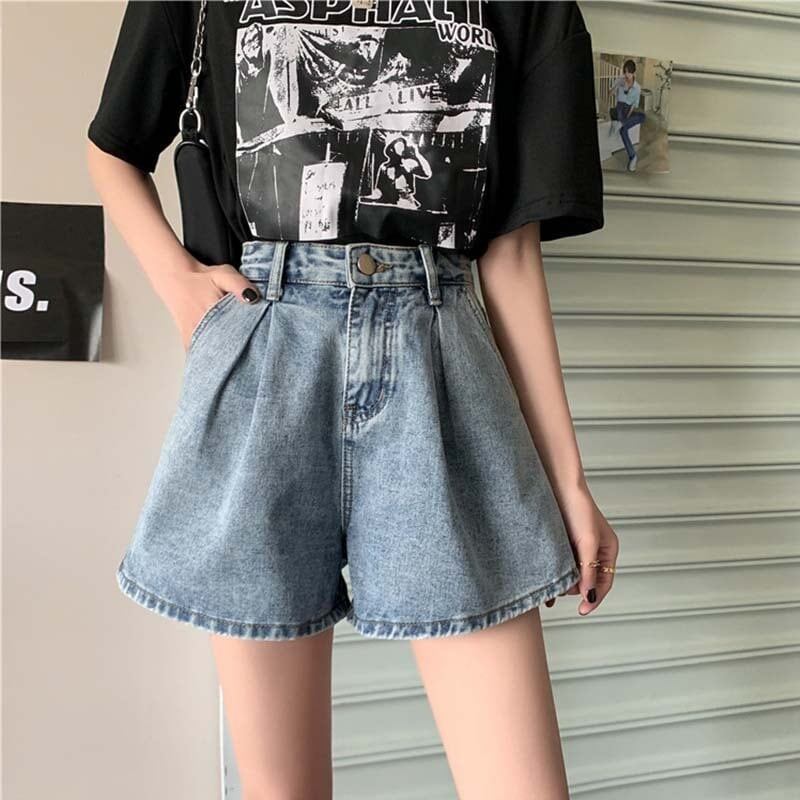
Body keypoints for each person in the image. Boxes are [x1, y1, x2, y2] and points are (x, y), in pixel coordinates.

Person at [86, 2, 619, 798]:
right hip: (269, 352)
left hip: (441, 354)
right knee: (282, 789)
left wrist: (568, 482)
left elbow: (510, 254)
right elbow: (113, 146)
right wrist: (180, 285)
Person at [610, 58, 646, 171]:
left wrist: (626, 119)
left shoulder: (637, 88)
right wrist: (617, 86)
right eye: (625, 72)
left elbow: (634, 105)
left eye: (629, 72)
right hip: (619, 108)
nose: (626, 75)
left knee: (642, 116)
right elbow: (610, 93)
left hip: (628, 111)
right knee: (623, 130)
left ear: (634, 73)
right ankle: (633, 156)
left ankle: (621, 124)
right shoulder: (620, 80)